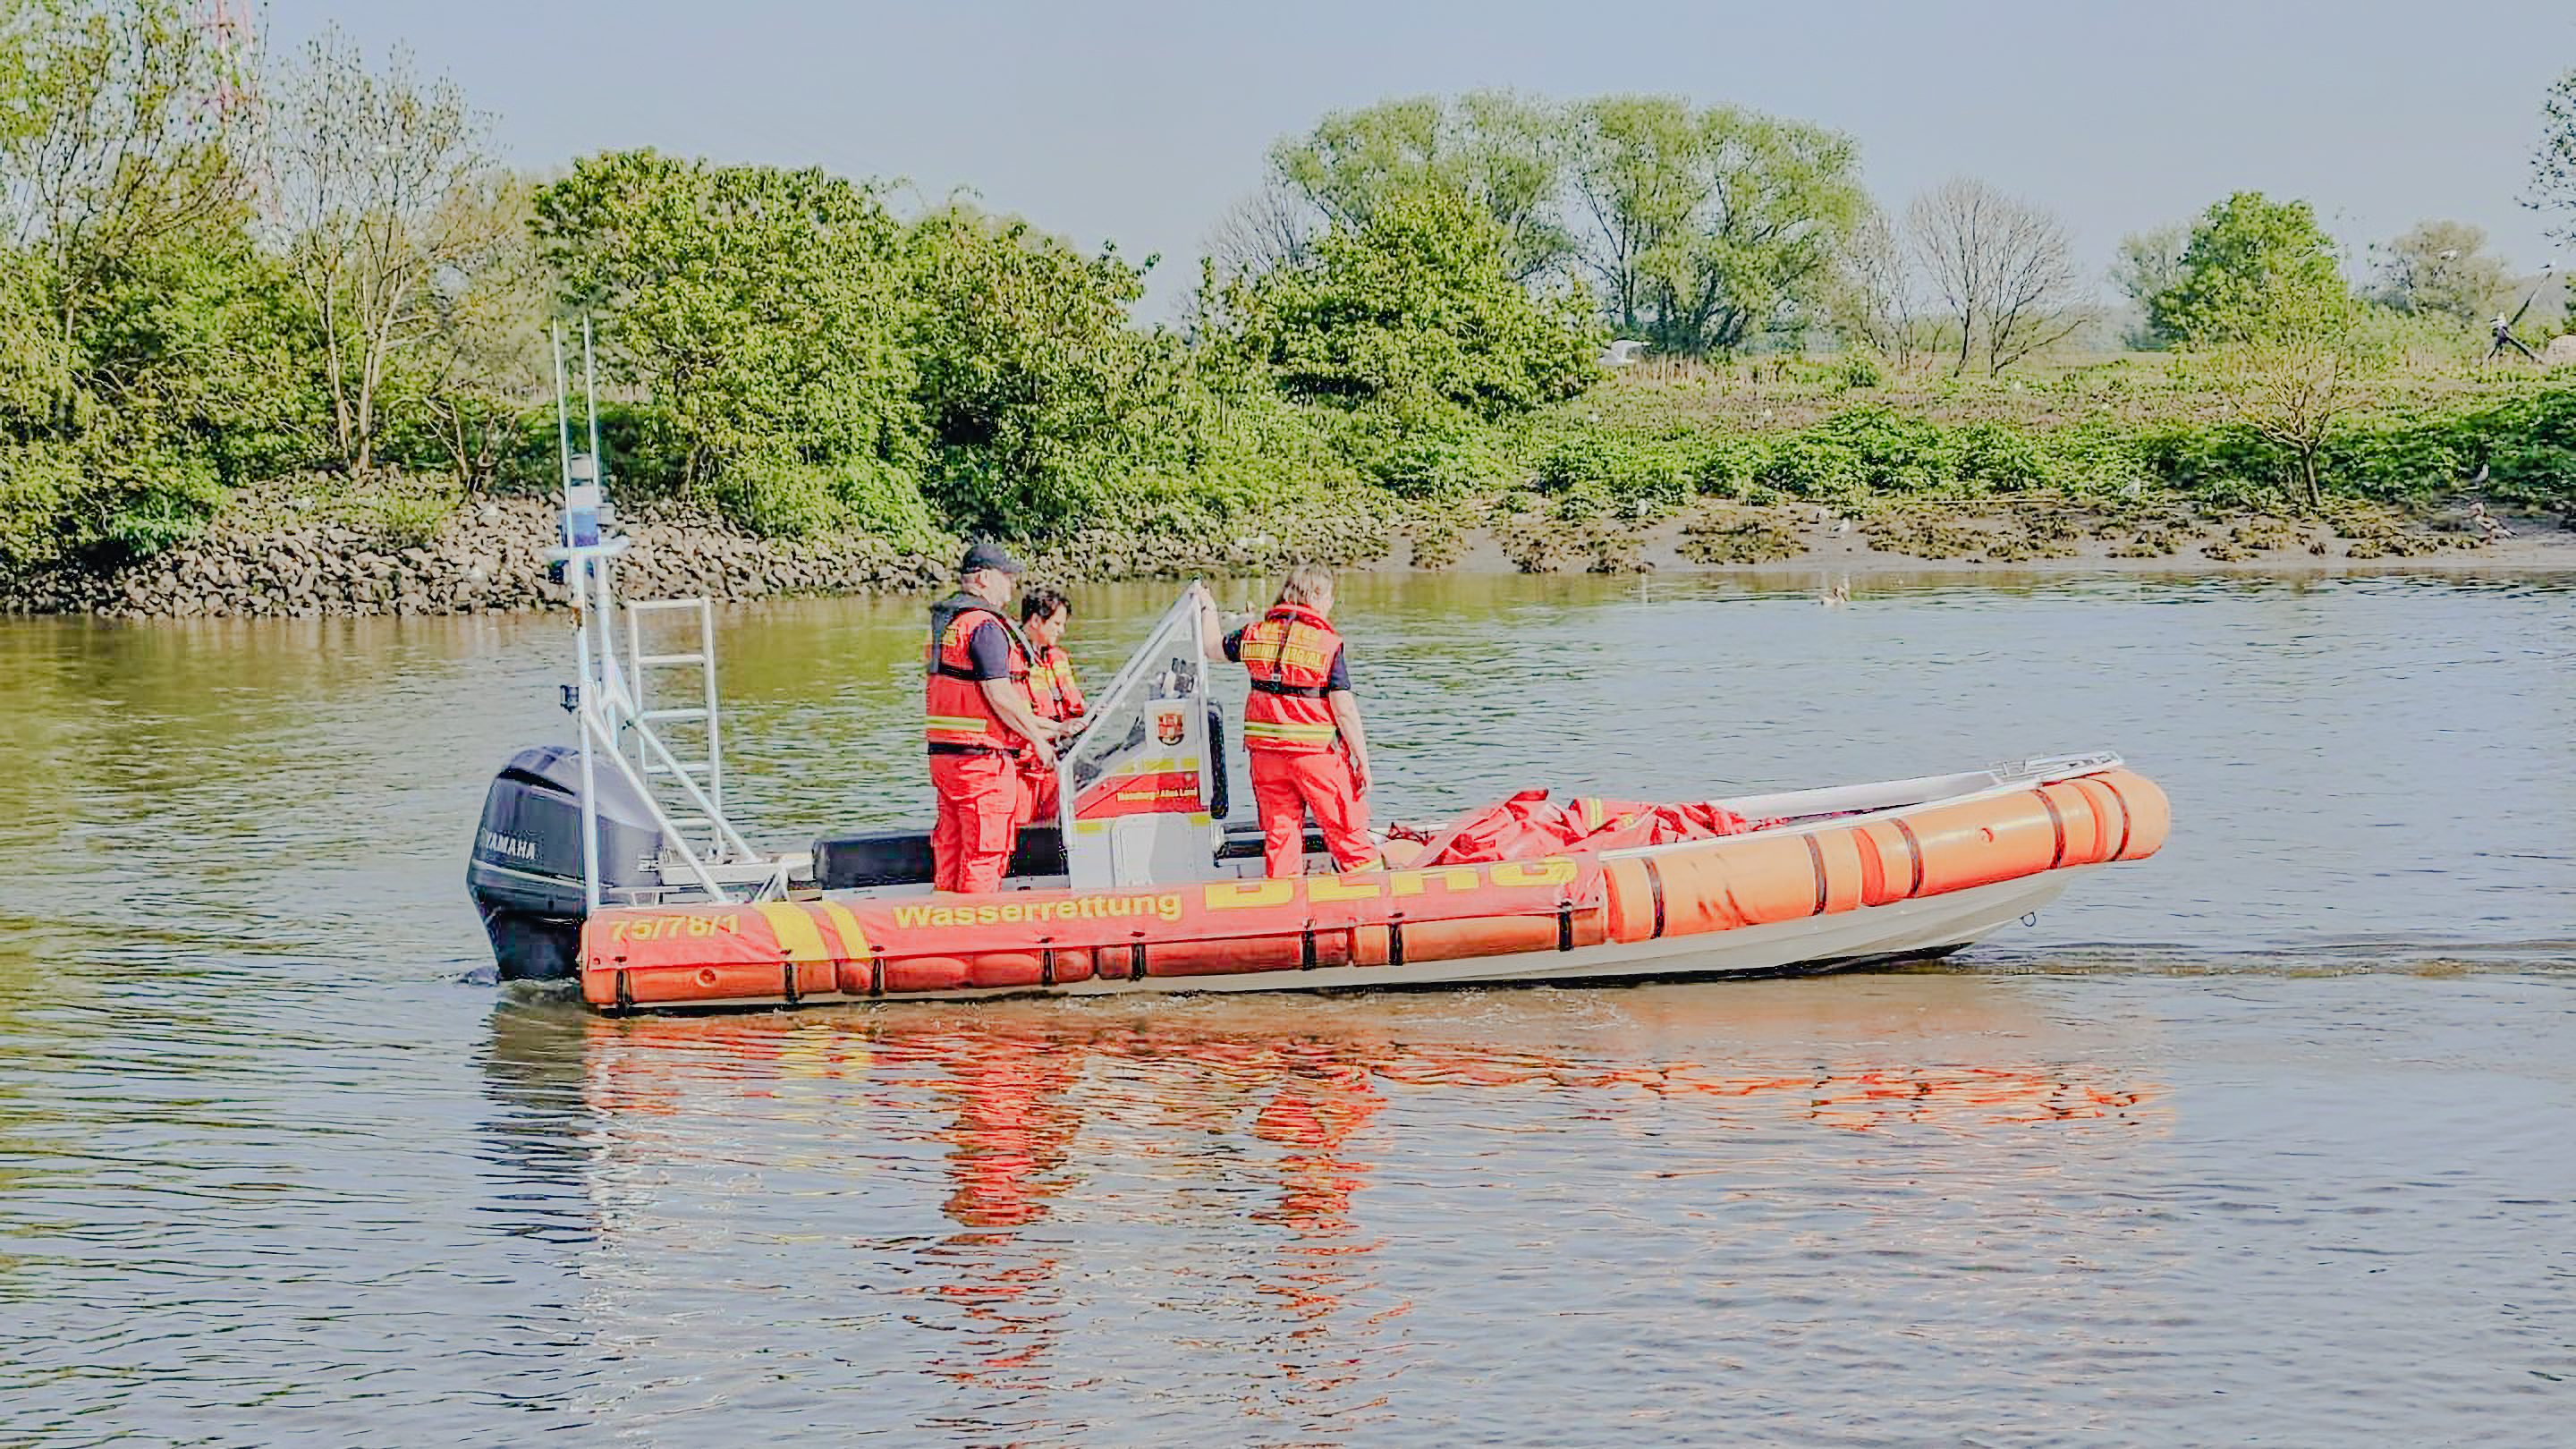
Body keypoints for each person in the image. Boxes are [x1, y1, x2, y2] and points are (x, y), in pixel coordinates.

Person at [1196, 565, 1376, 877]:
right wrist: (1363, 759)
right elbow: (1343, 708)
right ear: (1317, 596)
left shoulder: (1255, 634)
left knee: (1280, 837)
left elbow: (1211, 648)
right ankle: (1378, 904)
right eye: (1330, 598)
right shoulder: (1326, 643)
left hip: (1266, 758)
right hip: (1314, 757)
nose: (1331, 605)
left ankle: (1288, 914)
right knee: (1347, 831)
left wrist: (1208, 608)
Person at [925, 541, 1056, 894]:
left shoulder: (950, 625)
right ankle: (976, 941)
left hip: (947, 760)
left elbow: (971, 698)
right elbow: (1000, 696)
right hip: (983, 764)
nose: (1011, 588)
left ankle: (943, 934)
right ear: (983, 579)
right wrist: (1040, 740)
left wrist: (1052, 726)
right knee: (985, 854)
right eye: (1006, 578)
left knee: (950, 851)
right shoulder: (985, 626)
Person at [1014, 587, 1086, 826]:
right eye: (1056, 624)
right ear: (1035, 621)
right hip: (1022, 770)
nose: (1061, 631)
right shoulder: (1010, 660)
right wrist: (1059, 729)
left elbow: (1076, 707)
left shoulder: (1053, 659)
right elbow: (1014, 717)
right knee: (1020, 834)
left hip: (1054, 764)